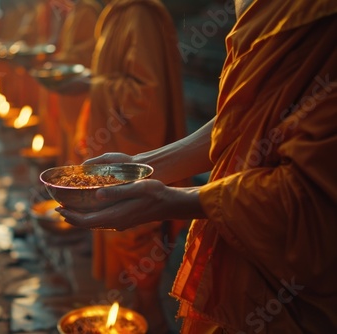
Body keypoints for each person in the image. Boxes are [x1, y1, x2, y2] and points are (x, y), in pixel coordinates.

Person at [57, 0, 337, 332]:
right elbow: (246, 118)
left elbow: (310, 196)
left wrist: (174, 201)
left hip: (288, 266)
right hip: (234, 226)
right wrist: (140, 165)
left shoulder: (320, 15)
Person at [59, 0, 188, 332]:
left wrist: (91, 84)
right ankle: (124, 313)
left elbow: (145, 96)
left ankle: (146, 317)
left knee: (135, 246)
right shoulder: (116, 12)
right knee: (115, 233)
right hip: (119, 150)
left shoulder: (139, 15)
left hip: (135, 144)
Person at [52, 0, 103, 165]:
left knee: (81, 144)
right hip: (70, 84)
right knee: (70, 137)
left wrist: (62, 59)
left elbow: (90, 49)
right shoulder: (74, 11)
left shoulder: (88, 11)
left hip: (81, 85)